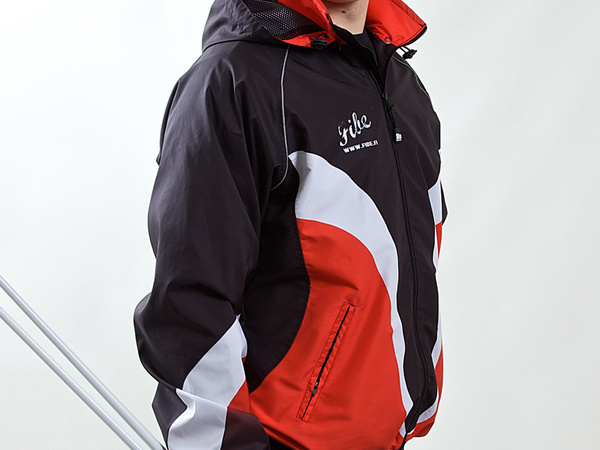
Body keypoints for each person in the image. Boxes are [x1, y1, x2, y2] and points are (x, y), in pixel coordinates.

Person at [134, 0, 447, 448]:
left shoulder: (402, 87)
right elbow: (189, 307)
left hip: (388, 435)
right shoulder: (232, 81)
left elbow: (420, 251)